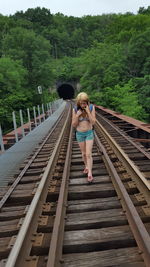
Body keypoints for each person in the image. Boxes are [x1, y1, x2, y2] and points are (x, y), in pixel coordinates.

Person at [72, 92, 96, 183]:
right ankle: (86, 166)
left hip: (89, 133)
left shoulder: (91, 107)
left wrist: (88, 112)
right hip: (80, 134)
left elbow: (93, 122)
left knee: (88, 154)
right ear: (78, 103)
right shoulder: (75, 109)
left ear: (87, 102)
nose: (83, 105)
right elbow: (73, 125)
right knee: (83, 153)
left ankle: (90, 172)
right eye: (81, 103)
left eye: (84, 103)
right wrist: (77, 115)